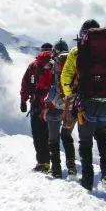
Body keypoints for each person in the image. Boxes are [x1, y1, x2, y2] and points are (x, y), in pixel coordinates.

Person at [61, 20, 106, 190]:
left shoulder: (77, 52)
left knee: (85, 142)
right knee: (103, 138)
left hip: (85, 103)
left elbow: (66, 77)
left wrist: (70, 96)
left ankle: (88, 181)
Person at [43, 39, 76, 178]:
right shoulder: (73, 61)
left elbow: (48, 85)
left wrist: (47, 101)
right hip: (71, 105)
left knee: (53, 139)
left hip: (55, 105)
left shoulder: (52, 64)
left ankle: (56, 170)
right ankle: (72, 167)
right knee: (67, 136)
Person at [20, 42, 56, 172]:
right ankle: (55, 164)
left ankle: (43, 163)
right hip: (53, 105)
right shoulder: (56, 65)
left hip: (37, 105)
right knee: (51, 135)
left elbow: (26, 85)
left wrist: (23, 101)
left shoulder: (34, 66)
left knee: (38, 135)